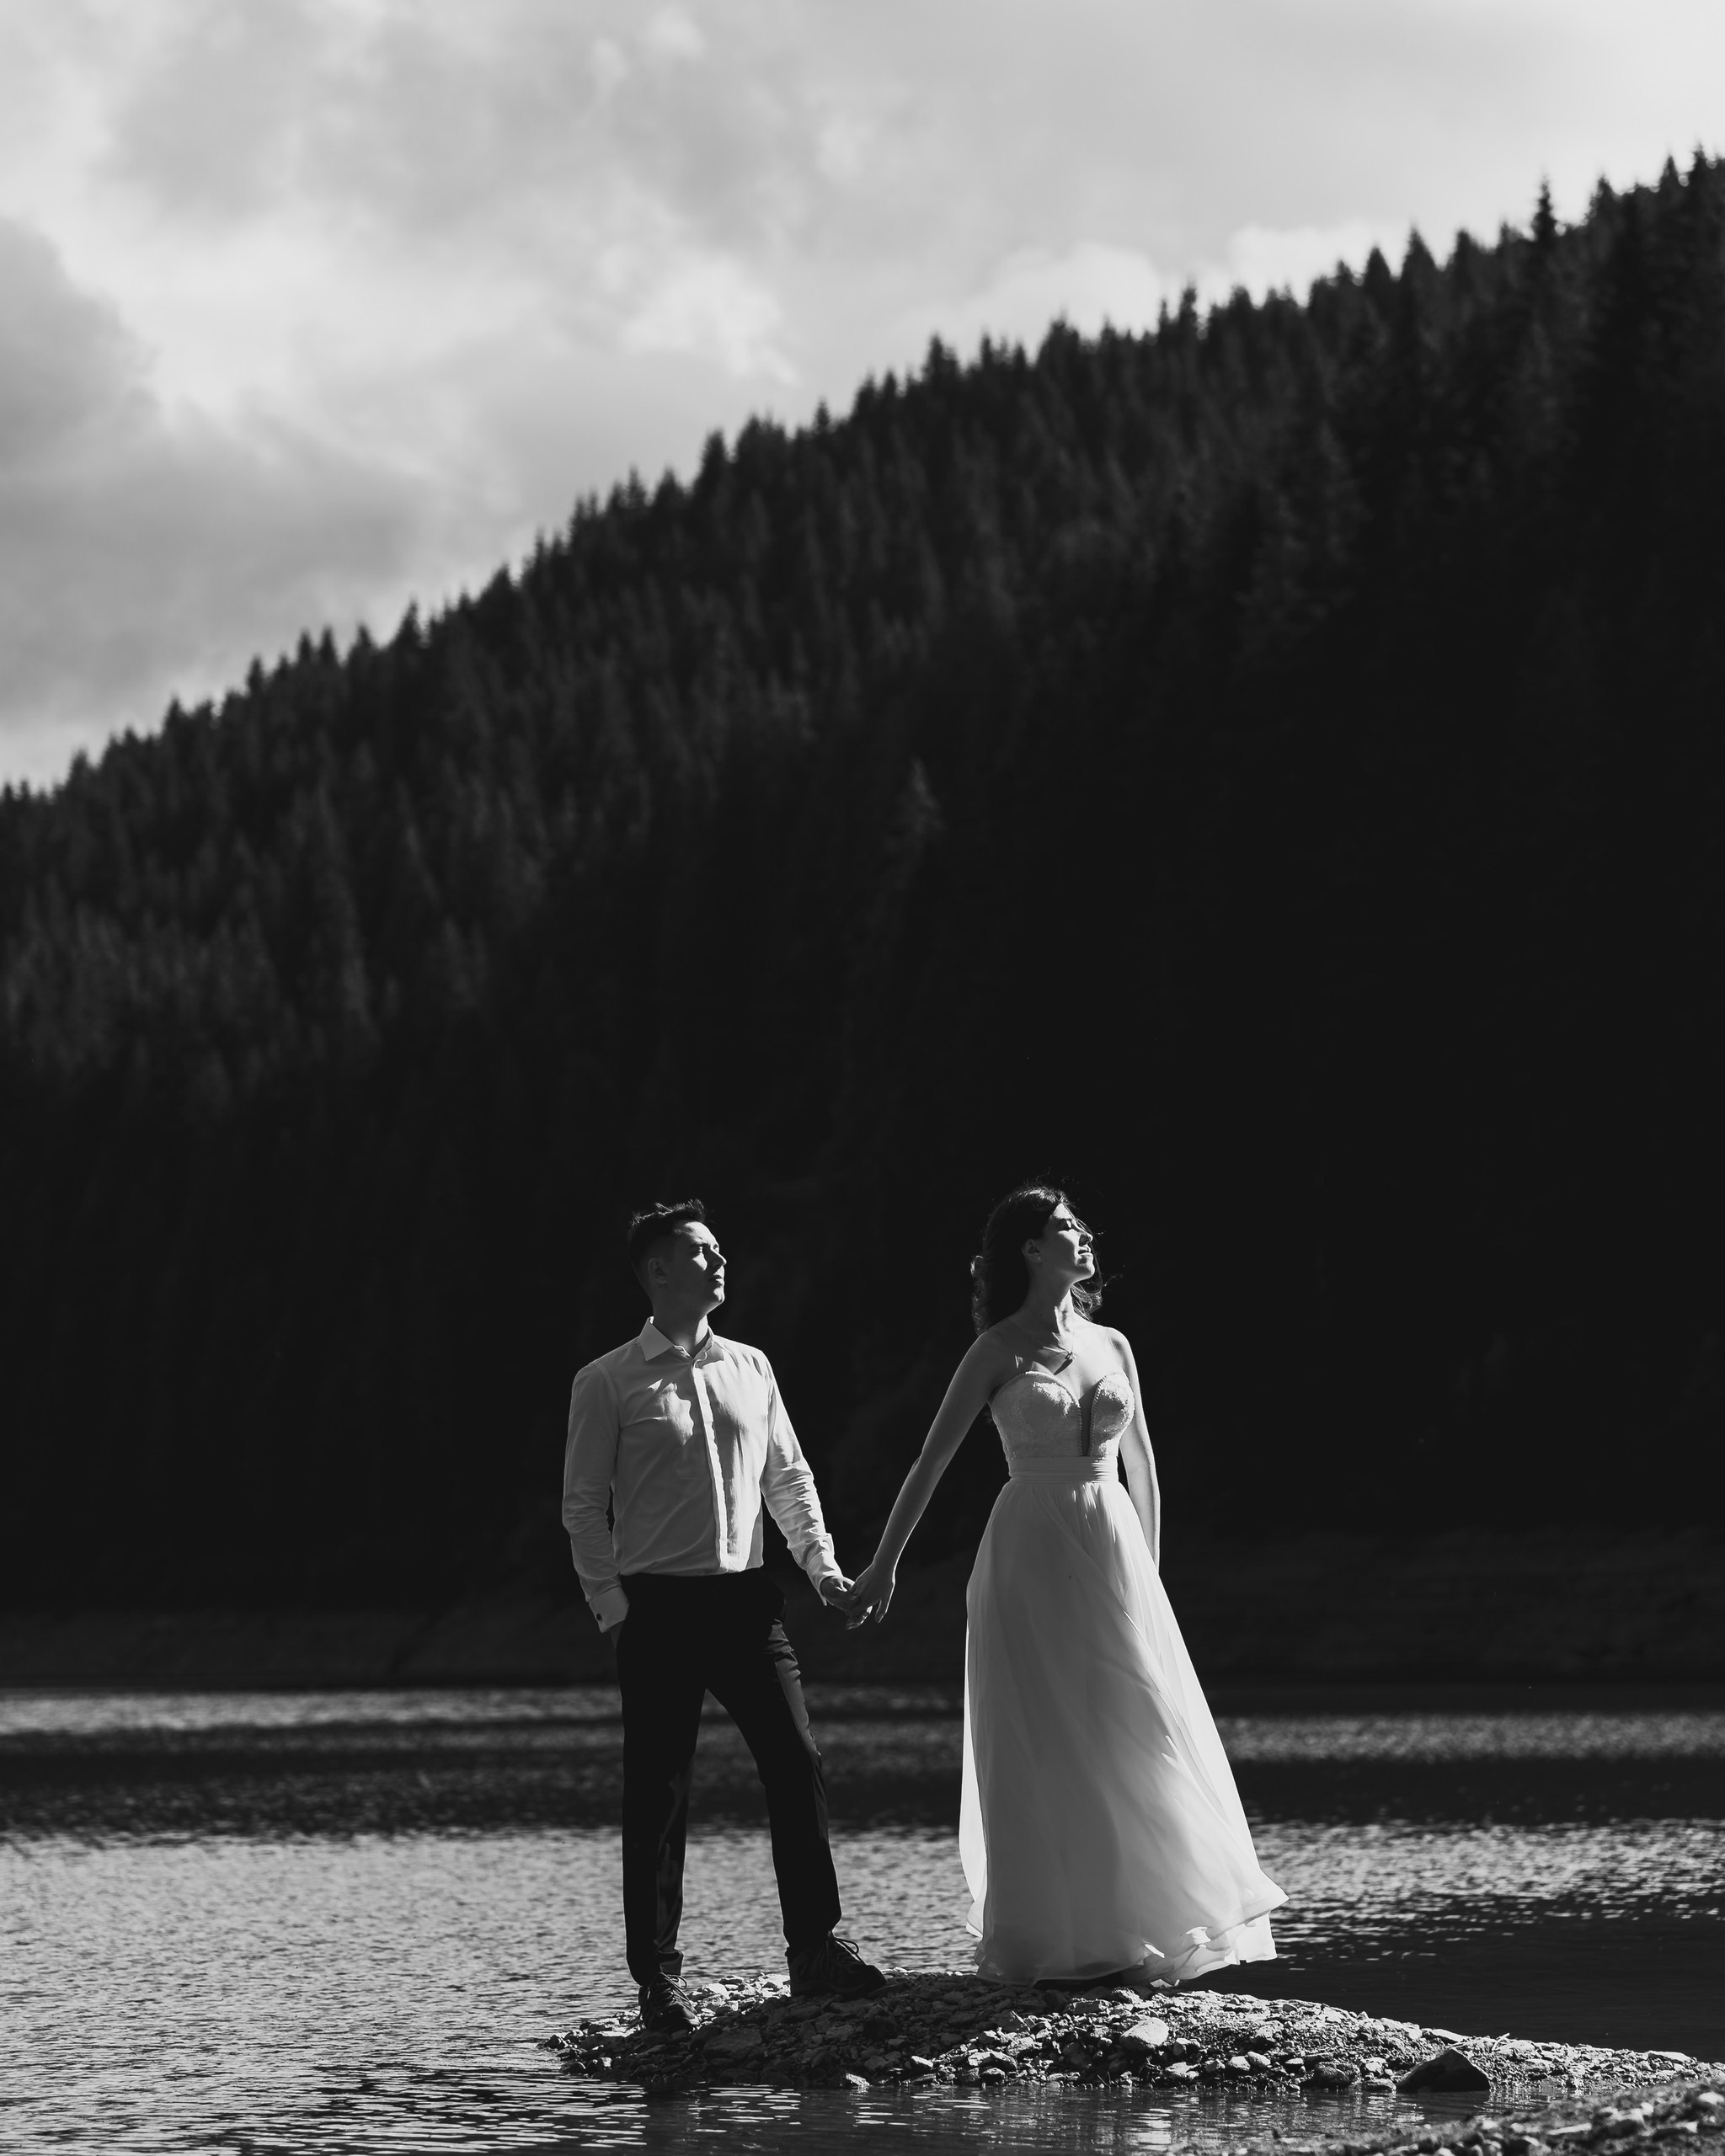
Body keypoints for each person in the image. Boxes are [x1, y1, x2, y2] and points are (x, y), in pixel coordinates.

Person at [844, 1183, 1285, 1986]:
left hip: (1112, 1546)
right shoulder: (996, 1350)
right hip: (1029, 1550)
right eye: (1064, 1228)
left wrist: (1147, 1579)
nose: (1083, 1237)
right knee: (1042, 1737)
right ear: (1030, 1252)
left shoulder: (1112, 1342)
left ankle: (1143, 1930)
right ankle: (1052, 1938)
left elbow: (1144, 1465)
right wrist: (884, 1564)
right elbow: (930, 1463)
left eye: (1078, 1226)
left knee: (1132, 1728)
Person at [562, 1199, 885, 2031]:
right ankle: (657, 1980)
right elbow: (581, 1506)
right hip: (655, 1609)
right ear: (657, 1271)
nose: (719, 1263)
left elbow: (788, 1477)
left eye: (717, 1251)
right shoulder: (605, 1381)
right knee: (660, 1790)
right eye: (701, 1253)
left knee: (796, 1758)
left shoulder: (752, 1366)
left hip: (747, 1602)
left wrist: (821, 1569)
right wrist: (613, 1610)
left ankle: (813, 1951)